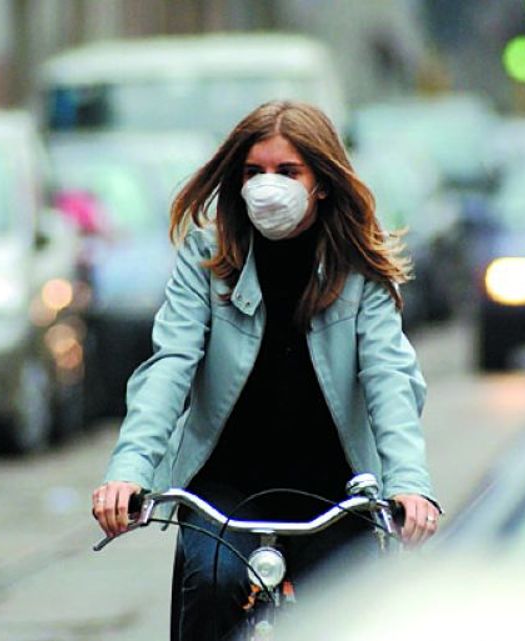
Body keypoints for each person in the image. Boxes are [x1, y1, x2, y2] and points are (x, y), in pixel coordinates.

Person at [91, 100, 440, 640]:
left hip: (338, 489)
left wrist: (409, 486)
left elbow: (389, 379)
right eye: (253, 171)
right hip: (224, 490)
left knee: (351, 612)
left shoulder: (358, 269)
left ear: (321, 182)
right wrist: (129, 471)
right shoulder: (205, 258)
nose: (267, 186)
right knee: (212, 586)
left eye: (288, 171)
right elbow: (169, 366)